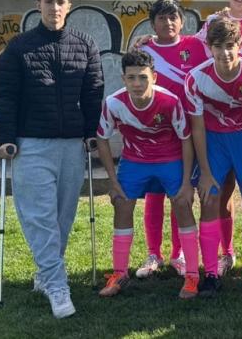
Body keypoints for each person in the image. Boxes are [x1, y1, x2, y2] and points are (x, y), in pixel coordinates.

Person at [0, 0, 104, 318]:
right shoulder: (19, 47)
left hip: (71, 145)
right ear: (38, 5)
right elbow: (6, 95)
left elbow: (93, 92)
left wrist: (91, 133)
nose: (54, 7)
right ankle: (58, 286)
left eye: (60, 2)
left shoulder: (85, 45)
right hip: (31, 144)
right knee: (40, 219)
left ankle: (45, 275)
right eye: (48, 1)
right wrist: (5, 137)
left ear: (69, 6)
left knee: (61, 218)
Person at [95, 50, 199, 299]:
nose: (137, 83)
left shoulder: (170, 101)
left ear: (154, 77)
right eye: (131, 78)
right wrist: (112, 181)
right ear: (123, 79)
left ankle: (193, 276)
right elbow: (102, 139)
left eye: (143, 77)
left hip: (169, 158)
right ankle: (120, 273)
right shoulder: (113, 103)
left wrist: (187, 182)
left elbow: (187, 139)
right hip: (135, 160)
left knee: (182, 204)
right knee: (122, 204)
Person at [185, 17, 242, 296]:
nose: (225, 52)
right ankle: (211, 274)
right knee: (209, 200)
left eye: (230, 45)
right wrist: (205, 171)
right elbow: (198, 127)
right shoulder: (195, 78)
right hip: (213, 141)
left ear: (240, 45)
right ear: (209, 47)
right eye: (218, 46)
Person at [135, 0, 209, 279]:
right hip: (155, 134)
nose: (168, 23)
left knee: (182, 194)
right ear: (152, 23)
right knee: (154, 195)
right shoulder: (144, 49)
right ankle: (153, 253)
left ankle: (179, 253)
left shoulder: (197, 45)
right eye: (161, 18)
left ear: (182, 21)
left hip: (189, 133)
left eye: (173, 17)